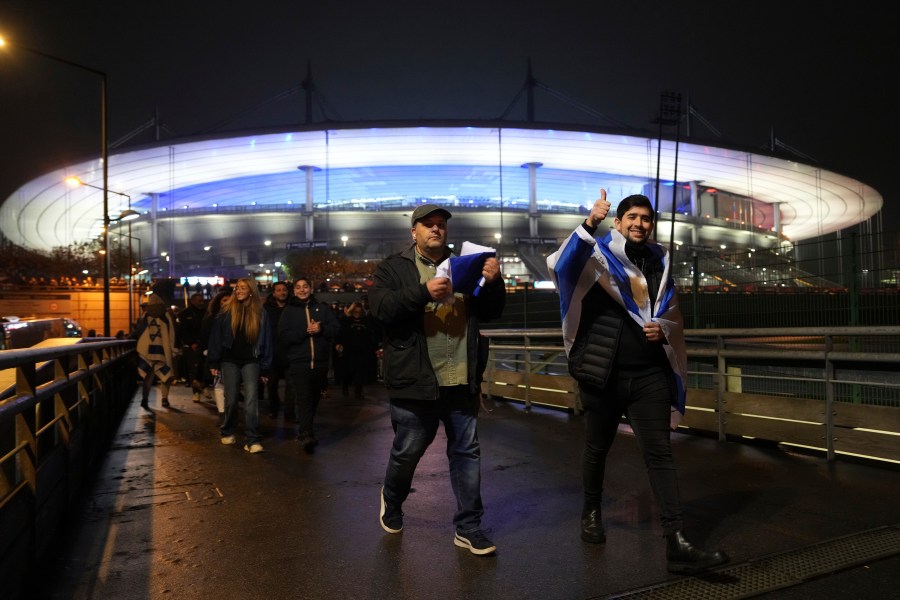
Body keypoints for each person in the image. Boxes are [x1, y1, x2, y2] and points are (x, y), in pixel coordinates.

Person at [546, 190, 729, 574]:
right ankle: (592, 510)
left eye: (645, 218)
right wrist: (589, 222)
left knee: (660, 454)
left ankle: (676, 541)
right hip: (603, 373)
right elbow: (561, 267)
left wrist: (661, 328)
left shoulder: (660, 261)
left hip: (649, 374)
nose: (639, 224)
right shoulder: (595, 256)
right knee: (597, 448)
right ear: (618, 222)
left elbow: (671, 313)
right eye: (631, 217)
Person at [369, 204, 505, 556]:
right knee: (408, 452)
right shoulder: (393, 268)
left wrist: (493, 281)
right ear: (413, 232)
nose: (436, 229)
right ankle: (392, 497)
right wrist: (422, 292)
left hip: (460, 378)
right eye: (427, 225)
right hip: (415, 381)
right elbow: (381, 309)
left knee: (466, 454)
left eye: (441, 224)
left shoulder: (465, 265)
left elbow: (490, 312)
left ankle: (468, 527)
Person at [207, 278, 273, 454]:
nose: (239, 290)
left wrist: (266, 367)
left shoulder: (260, 312)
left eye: (243, 288)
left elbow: (266, 341)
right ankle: (228, 431)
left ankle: (252, 439)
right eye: (237, 288)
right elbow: (216, 337)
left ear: (251, 290)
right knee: (232, 399)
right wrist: (213, 361)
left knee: (252, 400)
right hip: (229, 360)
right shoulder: (226, 310)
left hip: (251, 360)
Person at [277, 276, 340, 452]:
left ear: (311, 289)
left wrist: (321, 329)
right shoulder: (289, 311)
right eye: (298, 287)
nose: (302, 290)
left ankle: (306, 428)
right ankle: (306, 434)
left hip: (320, 364)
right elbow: (283, 336)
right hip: (299, 363)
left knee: (314, 399)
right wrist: (304, 333)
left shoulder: (322, 309)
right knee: (304, 399)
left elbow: (336, 328)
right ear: (294, 291)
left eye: (305, 286)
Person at [133, 293, 177, 409]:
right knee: (165, 375)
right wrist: (173, 348)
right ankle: (164, 398)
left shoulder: (146, 316)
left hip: (148, 350)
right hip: (163, 348)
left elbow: (139, 332)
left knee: (148, 375)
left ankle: (145, 398)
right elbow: (172, 333)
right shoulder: (166, 316)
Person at [336, 301, 379, 398]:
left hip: (362, 351)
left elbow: (370, 336)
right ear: (352, 311)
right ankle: (345, 388)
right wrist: (338, 344)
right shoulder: (346, 321)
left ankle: (358, 392)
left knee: (360, 371)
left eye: (359, 312)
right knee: (348, 371)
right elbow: (341, 334)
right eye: (355, 311)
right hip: (349, 350)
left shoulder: (365, 322)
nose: (357, 314)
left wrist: (374, 347)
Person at [262, 281, 290, 418]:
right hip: (272, 353)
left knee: (291, 385)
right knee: (272, 385)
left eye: (284, 290)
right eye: (278, 290)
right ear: (274, 293)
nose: (282, 292)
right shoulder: (266, 309)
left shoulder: (292, 307)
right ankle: (273, 408)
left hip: (289, 352)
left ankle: (289, 412)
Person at [178, 292, 208, 402]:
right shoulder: (184, 314)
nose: (202, 302)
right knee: (194, 370)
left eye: (202, 300)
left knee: (203, 368)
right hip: (190, 346)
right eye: (199, 300)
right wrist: (191, 343)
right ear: (193, 301)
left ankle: (202, 387)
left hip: (203, 345)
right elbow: (183, 331)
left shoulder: (206, 313)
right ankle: (196, 391)